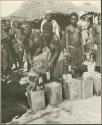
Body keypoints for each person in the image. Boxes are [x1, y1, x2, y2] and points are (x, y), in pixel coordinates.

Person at [65, 12, 83, 78]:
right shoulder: (68, 28)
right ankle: (73, 81)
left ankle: (78, 81)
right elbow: (66, 41)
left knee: (79, 66)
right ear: (70, 20)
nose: (74, 20)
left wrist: (83, 51)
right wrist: (67, 52)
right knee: (72, 67)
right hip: (71, 49)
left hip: (79, 49)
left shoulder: (79, 27)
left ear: (77, 19)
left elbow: (81, 39)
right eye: (72, 19)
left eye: (75, 19)